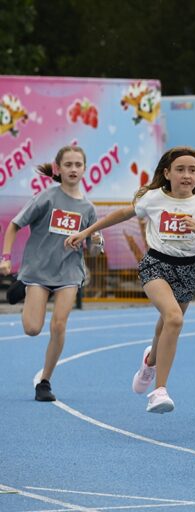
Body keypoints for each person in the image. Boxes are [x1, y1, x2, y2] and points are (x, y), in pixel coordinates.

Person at [66, 146, 195, 413]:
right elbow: (123, 214)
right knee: (174, 318)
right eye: (180, 169)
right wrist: (87, 231)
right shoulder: (154, 198)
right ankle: (159, 391)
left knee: (167, 323)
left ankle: (149, 361)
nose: (186, 175)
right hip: (156, 263)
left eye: (192, 170)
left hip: (187, 269)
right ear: (167, 173)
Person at [1, 145, 102, 402]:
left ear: (84, 169)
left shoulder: (88, 209)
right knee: (33, 329)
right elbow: (14, 225)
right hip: (38, 271)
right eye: (68, 164)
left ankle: (44, 381)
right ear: (58, 169)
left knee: (59, 324)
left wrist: (96, 242)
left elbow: (93, 249)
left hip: (68, 272)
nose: (73, 169)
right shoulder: (47, 197)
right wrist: (6, 257)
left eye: (78, 165)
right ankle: (23, 284)